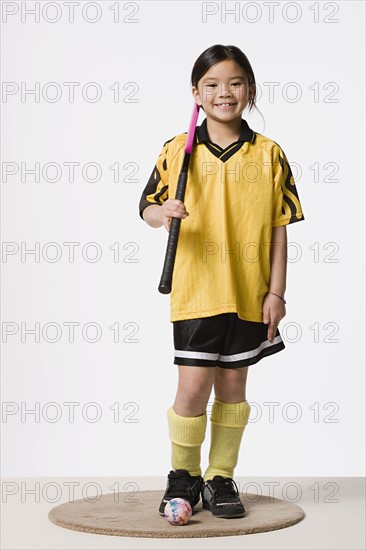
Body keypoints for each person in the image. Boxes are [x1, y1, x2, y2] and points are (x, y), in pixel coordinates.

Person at [138, 44, 305, 519]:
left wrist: (277, 293)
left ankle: (220, 478)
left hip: (249, 293)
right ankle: (183, 477)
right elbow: (146, 208)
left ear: (249, 90)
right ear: (196, 93)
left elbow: (278, 229)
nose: (224, 92)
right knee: (192, 389)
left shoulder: (270, 154)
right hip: (195, 291)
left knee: (233, 386)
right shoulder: (176, 151)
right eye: (211, 84)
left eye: (234, 83)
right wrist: (162, 212)